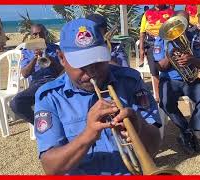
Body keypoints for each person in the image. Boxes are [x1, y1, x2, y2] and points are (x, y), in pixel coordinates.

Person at [34, 18, 162, 175]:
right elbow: (51, 168)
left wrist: (139, 126)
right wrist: (88, 135)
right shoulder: (50, 96)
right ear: (61, 58)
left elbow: (155, 147)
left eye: (98, 61)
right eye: (81, 64)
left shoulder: (130, 81)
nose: (92, 71)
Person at [154, 11, 200, 153]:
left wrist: (191, 59)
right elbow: (159, 66)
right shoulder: (161, 39)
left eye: (183, 24)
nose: (180, 29)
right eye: (178, 24)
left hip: (190, 80)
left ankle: (193, 131)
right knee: (166, 103)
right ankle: (186, 130)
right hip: (169, 79)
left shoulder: (194, 37)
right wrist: (169, 55)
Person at [10, 24, 63, 125]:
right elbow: (25, 74)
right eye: (35, 34)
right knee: (16, 103)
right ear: (31, 36)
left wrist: (52, 60)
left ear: (45, 34)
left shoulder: (55, 49)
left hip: (55, 81)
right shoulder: (26, 52)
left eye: (40, 34)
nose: (38, 37)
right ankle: (40, 124)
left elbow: (63, 70)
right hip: (37, 84)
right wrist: (34, 58)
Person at [139, 5, 174, 102]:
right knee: (154, 71)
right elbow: (142, 33)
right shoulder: (147, 14)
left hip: (166, 43)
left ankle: (169, 92)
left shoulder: (170, 12)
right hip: (151, 44)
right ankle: (158, 95)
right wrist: (141, 49)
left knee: (167, 68)